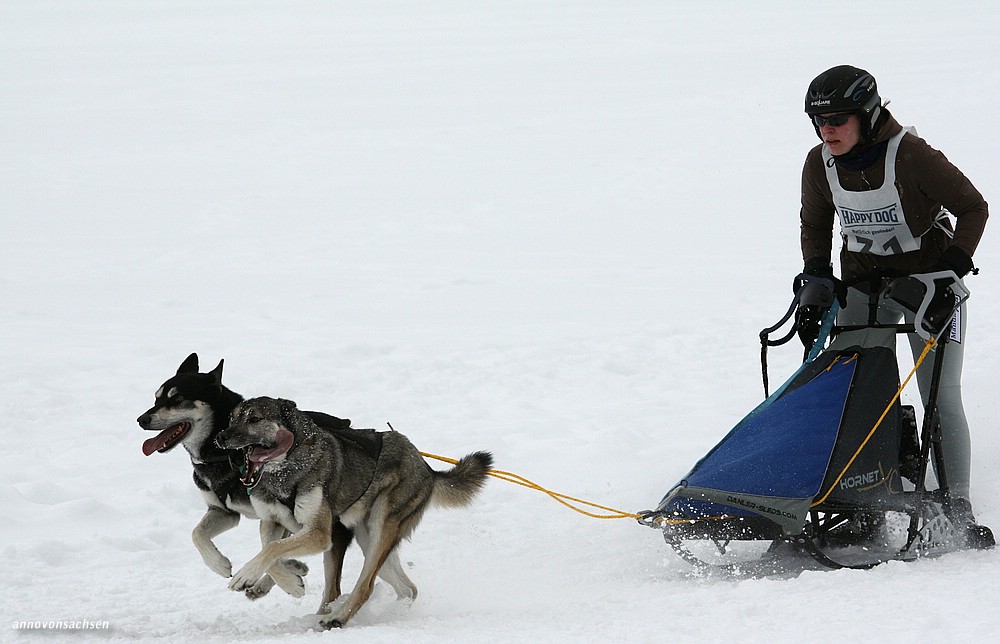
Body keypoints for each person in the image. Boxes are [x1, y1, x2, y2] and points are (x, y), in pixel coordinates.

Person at [797, 64, 992, 546]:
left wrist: (949, 271)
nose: (828, 130)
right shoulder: (817, 163)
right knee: (860, 389)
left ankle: (956, 504)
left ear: (866, 113)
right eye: (819, 121)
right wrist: (817, 275)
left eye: (838, 119)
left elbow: (974, 207)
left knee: (939, 391)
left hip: (929, 285)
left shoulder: (912, 156)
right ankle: (866, 493)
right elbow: (816, 222)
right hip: (864, 284)